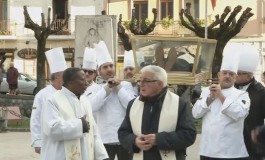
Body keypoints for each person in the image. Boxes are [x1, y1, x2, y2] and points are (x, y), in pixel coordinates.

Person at [118, 65, 196, 160]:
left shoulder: (180, 104)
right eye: (140, 80)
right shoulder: (133, 104)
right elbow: (123, 133)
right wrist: (134, 141)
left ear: (159, 84)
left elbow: (189, 135)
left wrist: (158, 139)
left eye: (146, 80)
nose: (141, 84)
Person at [192, 44, 250, 160]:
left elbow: (240, 114)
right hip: (208, 150)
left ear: (235, 77)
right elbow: (195, 113)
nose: (227, 76)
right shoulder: (206, 91)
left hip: (233, 153)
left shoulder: (242, 94)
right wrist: (210, 98)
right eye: (224, 73)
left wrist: (221, 96)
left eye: (231, 74)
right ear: (219, 75)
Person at [41, 67, 109, 160]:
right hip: (60, 155)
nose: (86, 82)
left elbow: (94, 132)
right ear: (70, 82)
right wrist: (80, 125)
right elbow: (52, 128)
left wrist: (102, 156)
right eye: (82, 79)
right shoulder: (53, 100)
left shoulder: (85, 101)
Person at [89, 41, 135, 160]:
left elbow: (131, 105)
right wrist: (108, 87)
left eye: (111, 66)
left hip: (124, 138)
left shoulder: (126, 85)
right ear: (99, 71)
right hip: (104, 138)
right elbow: (92, 107)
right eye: (105, 67)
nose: (109, 69)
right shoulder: (96, 88)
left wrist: (118, 87)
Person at [30, 47, 67, 154]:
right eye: (63, 76)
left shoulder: (68, 93)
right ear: (55, 77)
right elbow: (35, 118)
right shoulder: (42, 95)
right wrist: (37, 141)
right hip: (48, 140)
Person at [234, 44, 265, 160]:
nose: (235, 75)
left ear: (248, 75)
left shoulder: (261, 92)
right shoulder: (230, 89)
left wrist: (260, 132)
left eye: (239, 73)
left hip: (252, 144)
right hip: (231, 143)